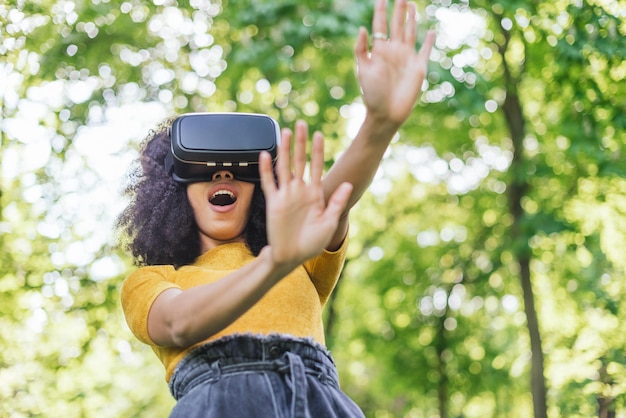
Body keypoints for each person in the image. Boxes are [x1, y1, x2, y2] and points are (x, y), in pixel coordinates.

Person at [117, 0, 435, 416]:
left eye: (240, 169)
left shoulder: (301, 254)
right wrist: (275, 263)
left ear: (261, 188)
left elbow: (332, 201)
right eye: (204, 169)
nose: (222, 176)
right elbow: (178, 322)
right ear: (172, 192)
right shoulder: (151, 280)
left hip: (320, 400)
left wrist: (380, 122)